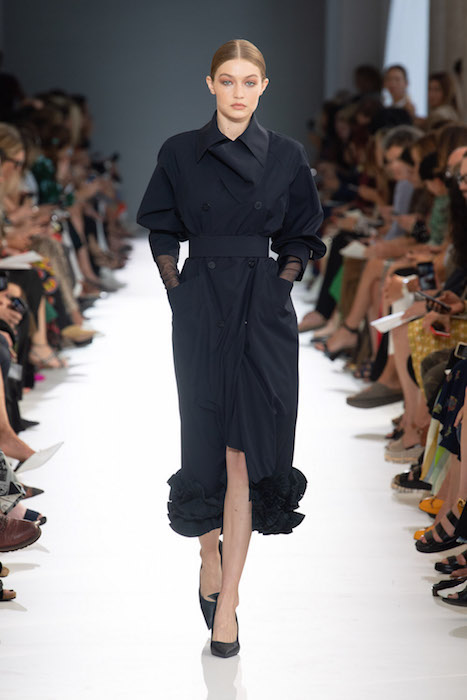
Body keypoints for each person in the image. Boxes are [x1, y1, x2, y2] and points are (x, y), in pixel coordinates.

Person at [137, 38, 325, 657]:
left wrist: (280, 288)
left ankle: (230, 604)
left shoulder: (287, 155)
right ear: (210, 84)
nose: (238, 92)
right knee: (206, 440)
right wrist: (178, 293)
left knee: (245, 452)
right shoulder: (179, 152)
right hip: (201, 305)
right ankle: (208, 554)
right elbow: (162, 229)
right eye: (227, 80)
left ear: (264, 87)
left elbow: (301, 234)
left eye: (249, 81)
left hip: (263, 311)